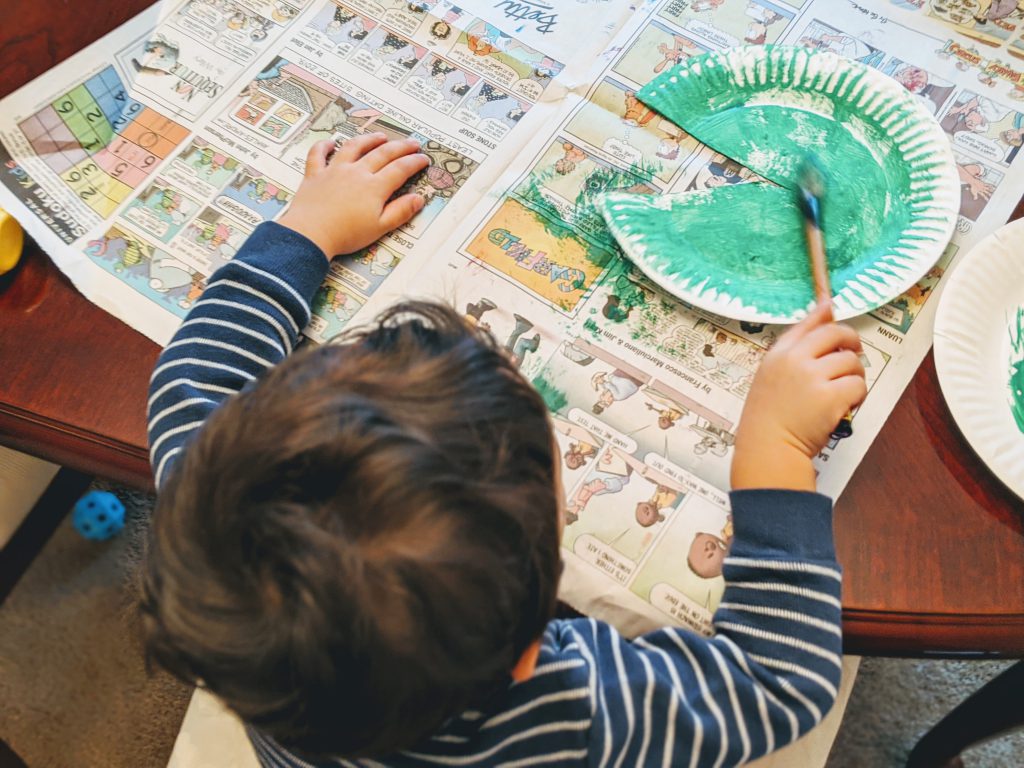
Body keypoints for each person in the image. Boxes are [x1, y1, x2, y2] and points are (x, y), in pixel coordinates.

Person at [141, 133, 867, 766]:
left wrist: (306, 228)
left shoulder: (210, 513)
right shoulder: (559, 714)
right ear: (534, 648)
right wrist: (775, 447)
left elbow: (194, 375)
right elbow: (777, 682)